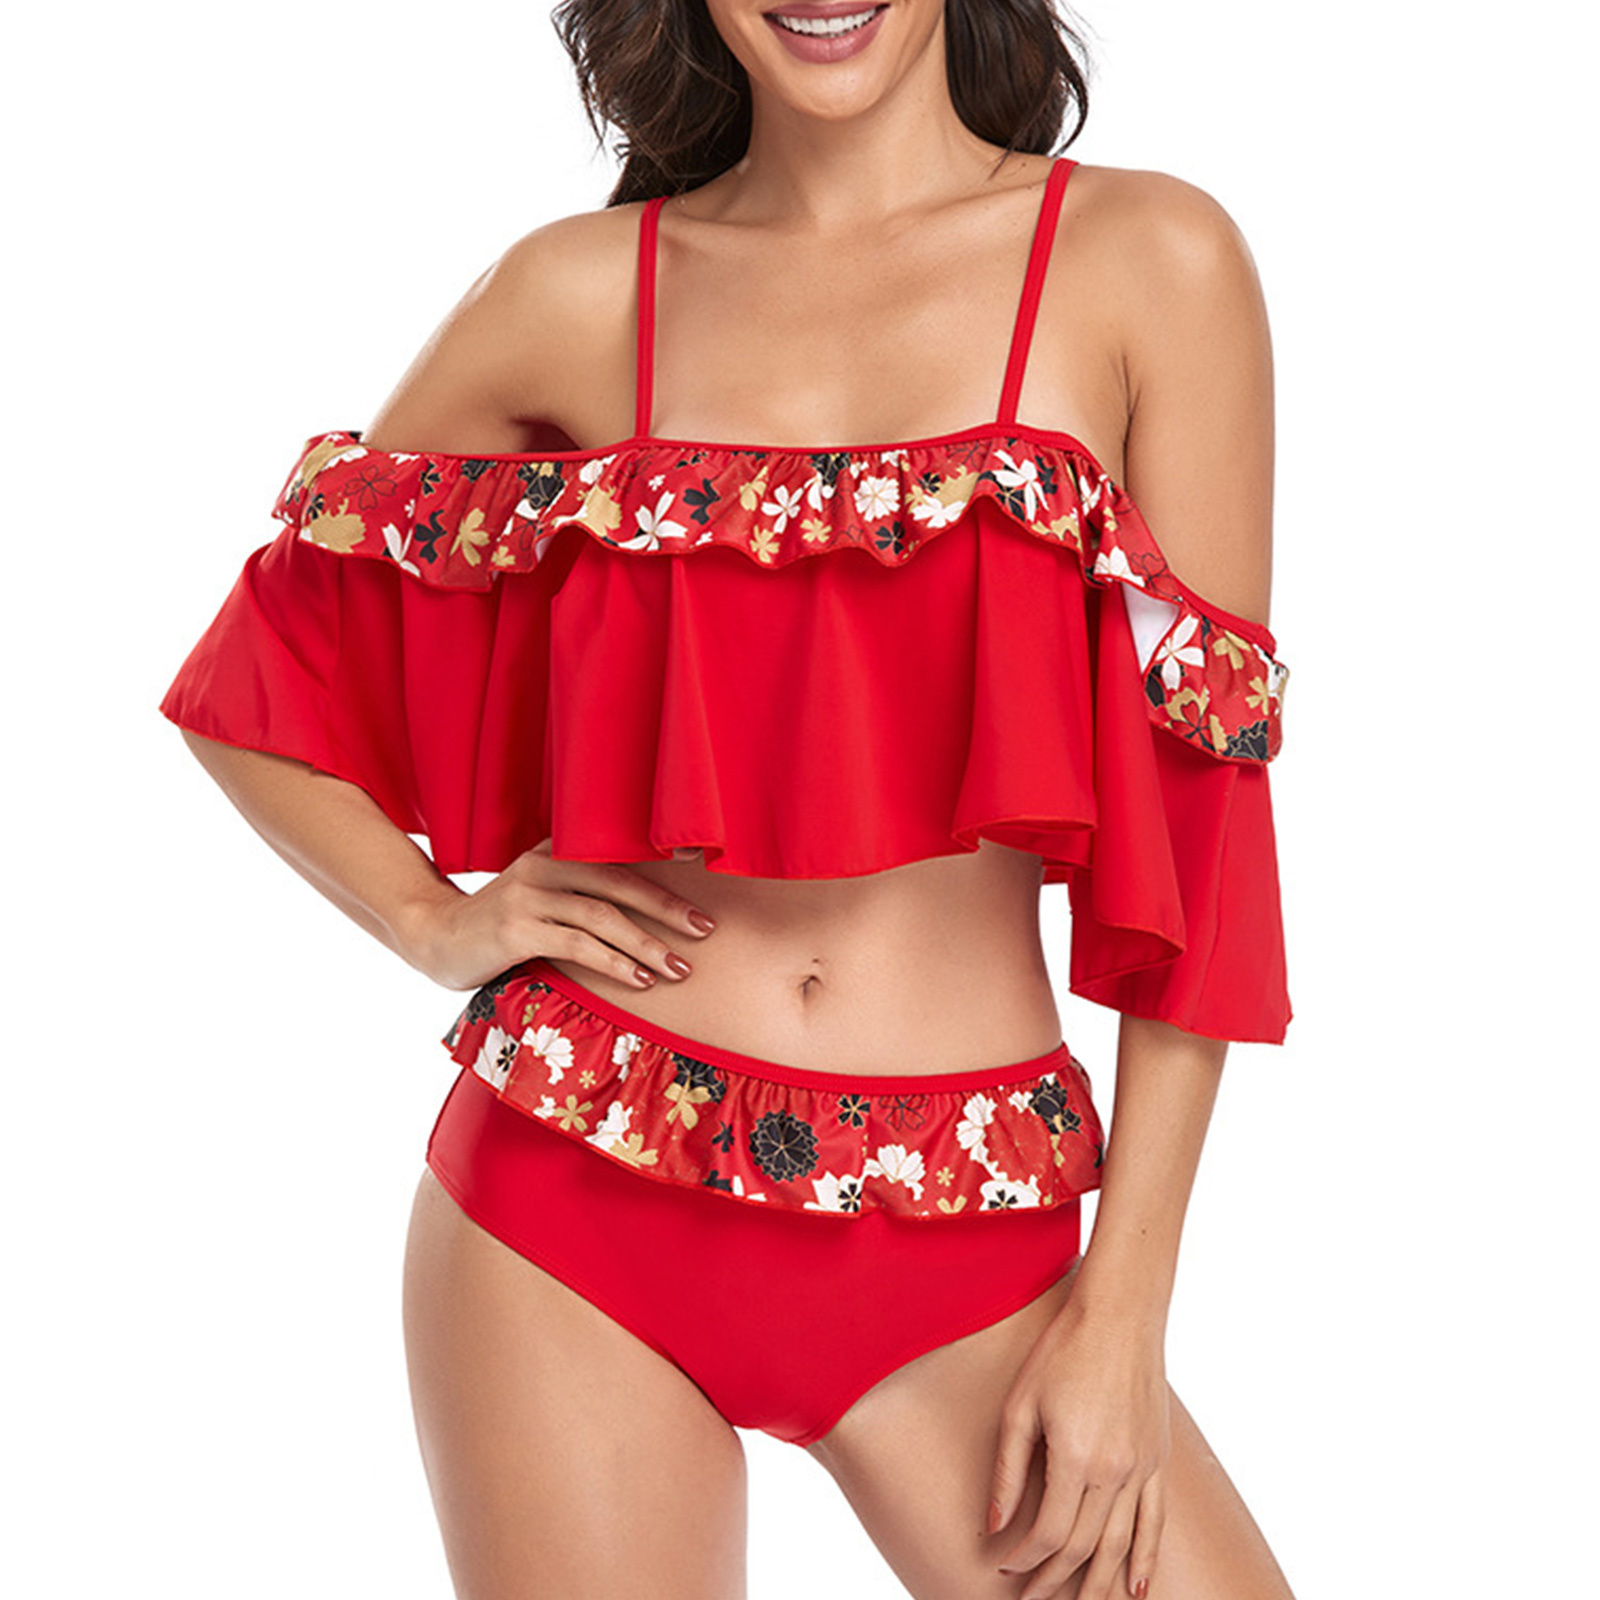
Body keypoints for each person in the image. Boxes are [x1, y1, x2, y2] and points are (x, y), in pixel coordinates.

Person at [159, 1, 1296, 1596]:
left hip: (968, 1232)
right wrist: (430, 919)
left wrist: (1125, 1315)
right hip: (576, 1207)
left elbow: (1206, 813)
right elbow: (263, 672)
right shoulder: (575, 292)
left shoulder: (1148, 262)